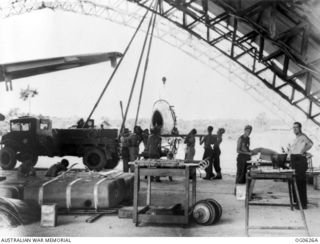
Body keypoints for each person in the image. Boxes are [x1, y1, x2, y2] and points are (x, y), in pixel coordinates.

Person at [288, 122, 313, 209]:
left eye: (296, 127)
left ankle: (302, 204)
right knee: (295, 181)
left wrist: (303, 151)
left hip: (300, 160)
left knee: (300, 182)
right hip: (294, 159)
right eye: (293, 128)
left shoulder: (303, 136)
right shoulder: (296, 138)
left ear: (300, 128)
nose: (295, 129)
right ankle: (297, 202)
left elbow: (310, 143)